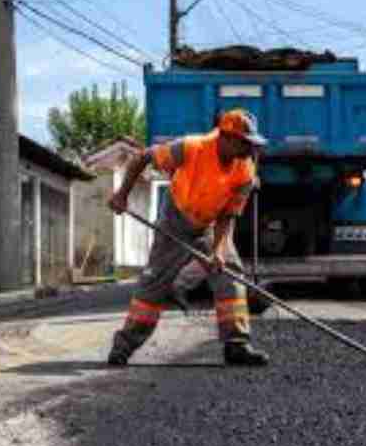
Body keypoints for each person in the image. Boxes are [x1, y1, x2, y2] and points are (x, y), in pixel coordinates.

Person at [106, 109, 270, 366]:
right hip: (174, 221)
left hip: (209, 224)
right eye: (245, 143)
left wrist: (217, 250)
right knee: (154, 284)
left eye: (252, 145)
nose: (250, 150)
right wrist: (121, 195)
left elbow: (228, 215)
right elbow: (143, 157)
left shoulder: (245, 172)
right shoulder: (191, 147)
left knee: (229, 272)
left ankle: (236, 344)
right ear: (225, 138)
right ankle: (123, 347)